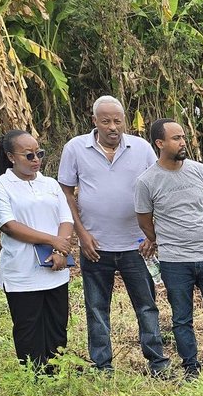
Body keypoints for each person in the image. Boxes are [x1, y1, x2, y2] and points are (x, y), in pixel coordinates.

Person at [58, 96, 170, 377]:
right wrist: (81, 234)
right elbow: (66, 193)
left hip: (136, 245)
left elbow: (156, 190)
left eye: (117, 120)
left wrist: (151, 235)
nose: (112, 127)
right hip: (95, 245)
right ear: (94, 121)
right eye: (105, 121)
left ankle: (157, 362)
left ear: (124, 121)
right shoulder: (75, 148)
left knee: (146, 305)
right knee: (97, 307)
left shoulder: (141, 148)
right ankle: (102, 365)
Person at [135, 118, 203, 380]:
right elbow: (144, 220)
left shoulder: (199, 170)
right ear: (160, 143)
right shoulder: (147, 181)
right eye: (176, 138)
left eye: (183, 137)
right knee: (182, 318)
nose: (183, 142)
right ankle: (191, 367)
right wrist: (163, 239)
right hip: (174, 261)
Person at [0, 130, 76, 371]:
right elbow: (9, 225)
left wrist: (60, 250)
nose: (36, 159)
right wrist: (53, 241)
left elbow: (65, 218)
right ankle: (34, 375)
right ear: (10, 156)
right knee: (28, 326)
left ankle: (56, 372)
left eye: (39, 153)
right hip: (22, 271)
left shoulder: (49, 183)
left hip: (55, 266)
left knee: (57, 324)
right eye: (29, 155)